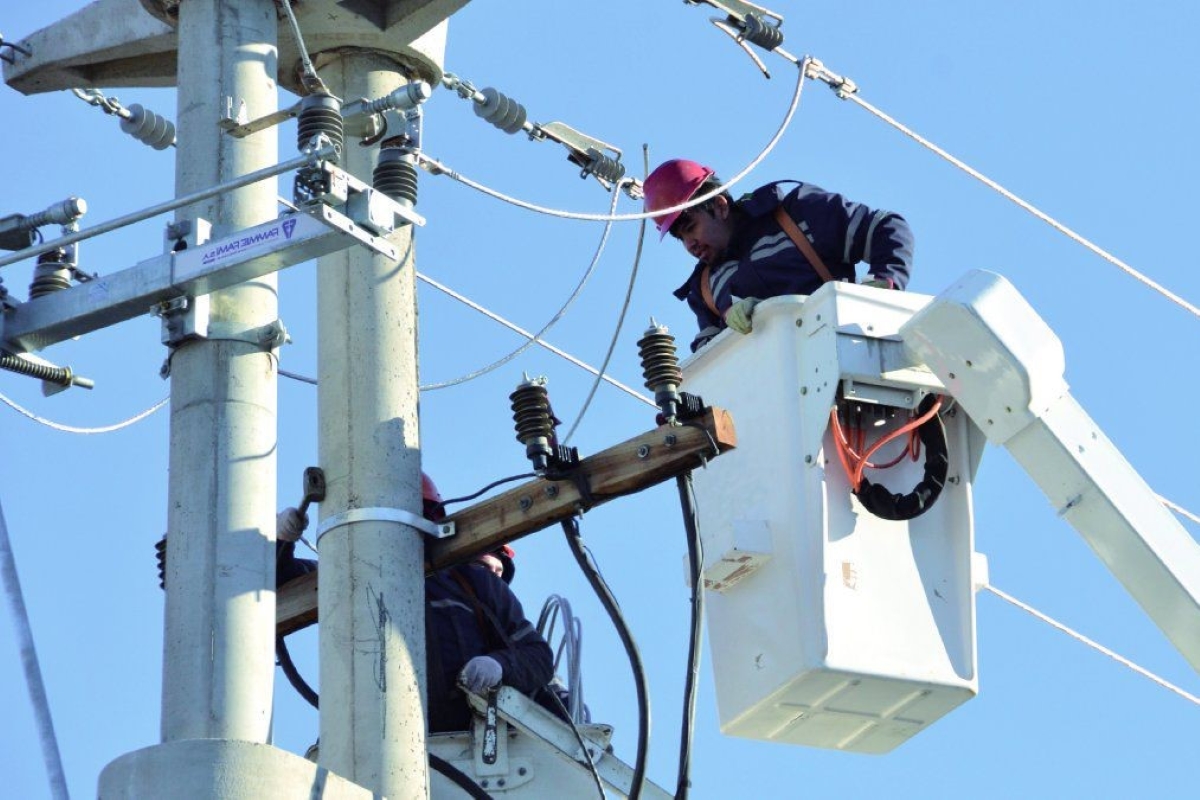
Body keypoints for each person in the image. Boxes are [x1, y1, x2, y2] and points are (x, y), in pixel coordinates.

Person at [276, 472, 555, 733]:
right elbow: (278, 583)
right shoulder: (346, 577)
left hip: (466, 742)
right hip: (369, 746)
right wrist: (281, 540)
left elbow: (538, 658)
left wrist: (498, 666)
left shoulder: (472, 582)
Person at [642, 158, 915, 351]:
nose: (690, 244)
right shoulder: (705, 290)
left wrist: (885, 281)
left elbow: (885, 227)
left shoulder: (797, 215)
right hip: (779, 404)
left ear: (720, 206)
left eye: (691, 227)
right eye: (680, 238)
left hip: (845, 354)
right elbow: (709, 362)